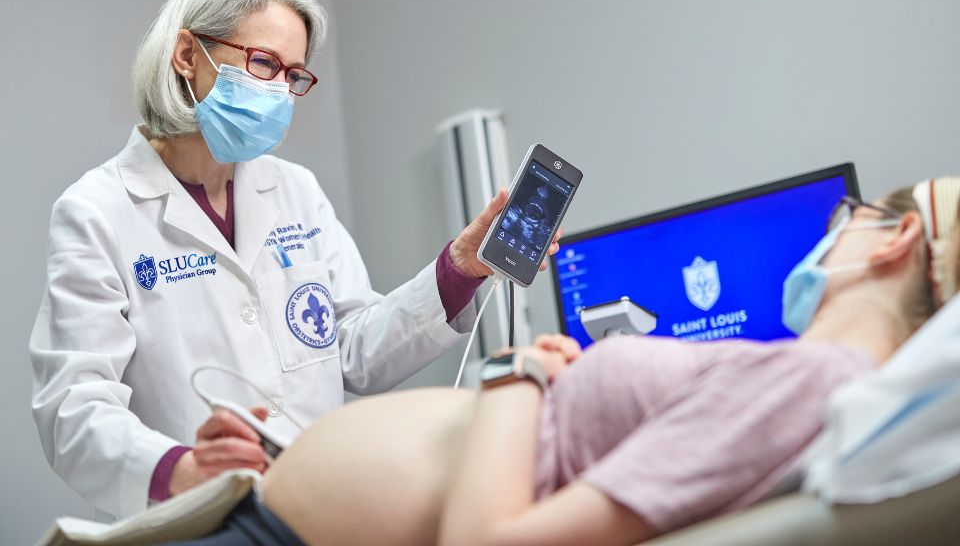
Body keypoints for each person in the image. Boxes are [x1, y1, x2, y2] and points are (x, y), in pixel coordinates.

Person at [29, 0, 561, 519]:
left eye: (293, 75)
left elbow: (353, 350)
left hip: (319, 509)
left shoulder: (295, 190)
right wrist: (181, 470)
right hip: (202, 520)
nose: (280, 91)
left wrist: (461, 267)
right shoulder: (98, 211)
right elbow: (73, 407)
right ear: (187, 55)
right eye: (263, 63)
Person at [161, 179, 959, 546]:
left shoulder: (815, 380)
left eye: (847, 215)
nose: (831, 230)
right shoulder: (805, 379)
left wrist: (517, 374)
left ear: (894, 239)